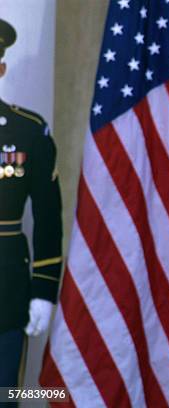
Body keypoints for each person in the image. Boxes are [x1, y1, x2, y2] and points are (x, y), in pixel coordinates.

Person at [0, 18, 63, 390]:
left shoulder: (27, 130)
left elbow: (47, 216)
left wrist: (43, 288)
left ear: (1, 68)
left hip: (5, 291)